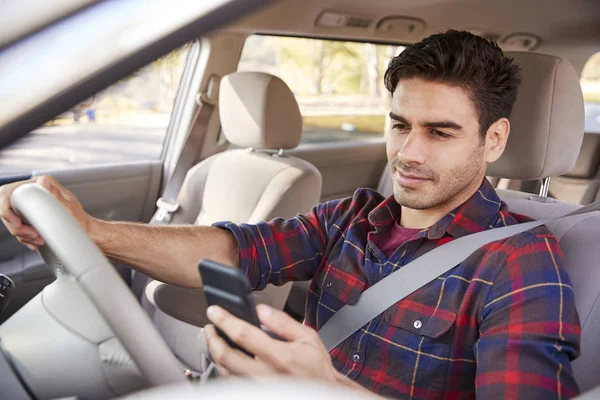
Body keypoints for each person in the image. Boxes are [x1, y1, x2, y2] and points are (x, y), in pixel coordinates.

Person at [0, 30, 580, 399]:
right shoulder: (354, 217)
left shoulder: (521, 263)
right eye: (400, 125)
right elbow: (232, 250)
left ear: (495, 139)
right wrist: (91, 231)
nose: (408, 153)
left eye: (441, 132)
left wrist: (326, 389)